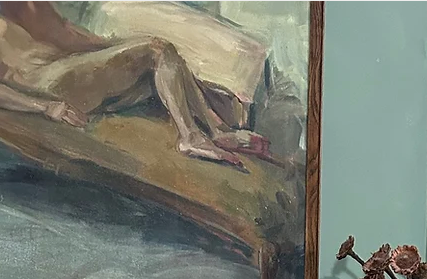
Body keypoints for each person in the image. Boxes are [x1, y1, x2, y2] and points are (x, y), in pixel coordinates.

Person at [0, 1, 267, 166]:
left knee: (160, 68)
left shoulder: (28, 3)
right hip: (43, 85)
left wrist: (117, 49)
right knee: (157, 51)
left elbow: (66, 35)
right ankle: (191, 137)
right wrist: (44, 107)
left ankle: (216, 130)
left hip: (65, 73)